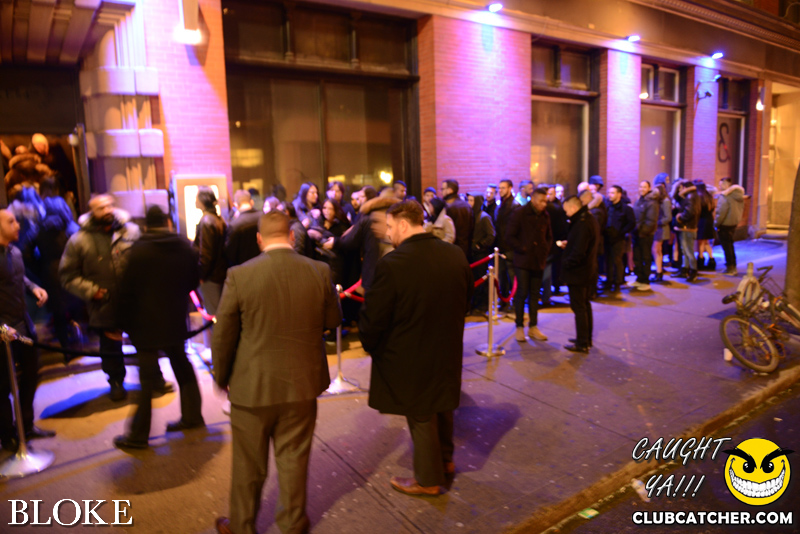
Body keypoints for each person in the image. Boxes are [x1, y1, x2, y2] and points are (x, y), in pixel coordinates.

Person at [212, 210, 341, 534]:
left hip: (252, 386)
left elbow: (223, 335)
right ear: (292, 236)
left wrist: (222, 378)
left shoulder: (239, 275)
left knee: (248, 465)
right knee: (294, 460)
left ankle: (242, 526)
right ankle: (292, 524)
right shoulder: (319, 270)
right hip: (301, 385)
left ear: (259, 239)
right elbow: (333, 320)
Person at [359, 200, 472, 496]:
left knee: (421, 413)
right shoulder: (454, 254)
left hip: (410, 351)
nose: (387, 233)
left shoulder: (393, 264)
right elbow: (467, 301)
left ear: (403, 224)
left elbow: (375, 316)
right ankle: (445, 460)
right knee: (442, 404)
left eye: (390, 226)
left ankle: (428, 479)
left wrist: (370, 344)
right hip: (446, 346)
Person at [60, 194, 170, 401]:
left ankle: (155, 378)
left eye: (110, 205)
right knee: (110, 348)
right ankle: (116, 382)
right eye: (101, 208)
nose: (107, 210)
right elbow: (68, 276)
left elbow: (146, 260)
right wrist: (91, 291)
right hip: (105, 303)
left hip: (135, 302)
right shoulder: (79, 240)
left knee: (146, 343)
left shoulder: (132, 231)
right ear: (92, 212)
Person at [115, 206, 205, 450]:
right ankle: (193, 417)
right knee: (183, 368)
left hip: (146, 324)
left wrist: (121, 323)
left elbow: (127, 290)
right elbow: (193, 281)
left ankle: (138, 435)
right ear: (167, 222)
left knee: (146, 381)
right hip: (175, 319)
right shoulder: (184, 246)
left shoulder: (139, 250)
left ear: (146, 225)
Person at [0, 209, 54, 452]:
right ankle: (8, 436)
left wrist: (34, 288)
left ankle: (26, 425)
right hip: (4, 333)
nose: (18, 225)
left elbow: (18, 278)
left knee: (31, 376)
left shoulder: (15, 251)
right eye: (11, 221)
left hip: (24, 327)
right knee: (3, 387)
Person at [506, 187, 552, 342]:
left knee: (534, 294)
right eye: (542, 201)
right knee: (522, 293)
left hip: (538, 260)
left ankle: (533, 326)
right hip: (523, 260)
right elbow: (510, 236)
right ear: (533, 199)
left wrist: (544, 250)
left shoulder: (545, 215)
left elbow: (549, 236)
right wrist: (522, 248)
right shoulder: (520, 213)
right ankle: (519, 326)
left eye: (546, 201)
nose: (544, 204)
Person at [560, 196, 599, 353]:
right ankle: (585, 338)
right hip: (587, 270)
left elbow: (579, 251)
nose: (566, 214)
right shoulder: (588, 219)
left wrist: (566, 262)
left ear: (574, 208)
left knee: (579, 307)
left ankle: (582, 342)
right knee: (584, 305)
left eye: (567, 211)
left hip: (579, 272)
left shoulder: (582, 223)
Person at [195, 186, 227, 315]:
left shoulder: (206, 221)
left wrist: (201, 275)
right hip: (218, 273)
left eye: (196, 198)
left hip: (210, 277)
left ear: (203, 200)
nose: (195, 201)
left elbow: (206, 253)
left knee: (212, 315)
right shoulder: (218, 219)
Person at [603, 185, 635, 293]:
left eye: (612, 193)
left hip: (618, 239)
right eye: (609, 193)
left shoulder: (626, 208)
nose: (609, 195)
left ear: (619, 194)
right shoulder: (607, 206)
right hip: (607, 237)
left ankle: (617, 283)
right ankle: (609, 281)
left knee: (617, 260)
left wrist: (621, 232)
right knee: (608, 260)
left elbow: (631, 223)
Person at [467, 193, 496, 314]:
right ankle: (475, 304)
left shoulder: (484, 217)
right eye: (468, 200)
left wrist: (480, 245)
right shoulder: (472, 215)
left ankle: (482, 305)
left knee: (481, 279)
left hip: (481, 254)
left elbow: (491, 235)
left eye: (471, 200)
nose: (469, 203)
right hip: (473, 254)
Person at [629, 181, 658, 291]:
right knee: (637, 257)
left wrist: (642, 232)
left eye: (644, 187)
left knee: (645, 257)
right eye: (640, 186)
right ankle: (639, 278)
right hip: (637, 233)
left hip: (645, 235)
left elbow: (651, 221)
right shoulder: (639, 200)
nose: (642, 189)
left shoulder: (652, 202)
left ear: (649, 188)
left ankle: (645, 281)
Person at [494, 179, 517, 311]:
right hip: (501, 247)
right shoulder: (501, 205)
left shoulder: (515, 205)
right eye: (500, 188)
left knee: (512, 277)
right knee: (502, 277)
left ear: (510, 188)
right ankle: (504, 303)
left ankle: (515, 304)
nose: (500, 190)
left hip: (510, 248)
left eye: (503, 188)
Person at [714, 177, 744, 275]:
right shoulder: (738, 195)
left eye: (720, 185)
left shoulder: (725, 196)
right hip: (734, 223)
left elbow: (721, 212)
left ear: (726, 185)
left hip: (725, 224)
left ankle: (730, 267)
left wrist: (716, 223)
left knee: (726, 247)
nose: (719, 187)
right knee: (730, 245)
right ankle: (732, 265)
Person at [225, 190, 261, 267]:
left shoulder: (234, 225)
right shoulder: (263, 217)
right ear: (252, 202)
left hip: (243, 268)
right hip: (263, 265)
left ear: (235, 205)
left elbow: (230, 254)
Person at [673, 180, 700, 282]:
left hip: (687, 227)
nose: (679, 190)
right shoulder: (692, 195)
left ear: (684, 187)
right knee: (685, 250)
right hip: (688, 227)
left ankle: (693, 271)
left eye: (680, 188)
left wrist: (679, 217)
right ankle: (685, 270)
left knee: (688, 250)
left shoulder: (690, 196)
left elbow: (690, 212)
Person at [440, 180, 473, 258]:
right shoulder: (467, 205)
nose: (441, 192)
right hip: (466, 247)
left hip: (452, 248)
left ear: (450, 190)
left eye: (442, 189)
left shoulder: (448, 206)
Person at [650, 183, 672, 283]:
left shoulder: (665, 201)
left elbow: (668, 217)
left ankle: (659, 271)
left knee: (655, 249)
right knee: (657, 250)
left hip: (661, 229)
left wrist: (656, 223)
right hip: (658, 228)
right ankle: (659, 271)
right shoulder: (658, 201)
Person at [694, 181, 716, 271]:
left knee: (701, 242)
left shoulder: (699, 197)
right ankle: (711, 260)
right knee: (706, 242)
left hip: (701, 221)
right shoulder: (709, 196)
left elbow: (697, 211)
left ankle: (700, 261)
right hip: (709, 220)